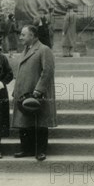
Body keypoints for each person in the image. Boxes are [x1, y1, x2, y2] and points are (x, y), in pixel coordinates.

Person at [12, 25, 57, 161]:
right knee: (25, 122)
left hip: (37, 93)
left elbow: (48, 71)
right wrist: (16, 89)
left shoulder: (44, 49)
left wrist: (39, 90)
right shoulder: (25, 50)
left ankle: (40, 151)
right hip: (23, 92)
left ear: (32, 36)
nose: (20, 37)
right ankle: (26, 149)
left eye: (23, 35)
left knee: (39, 122)